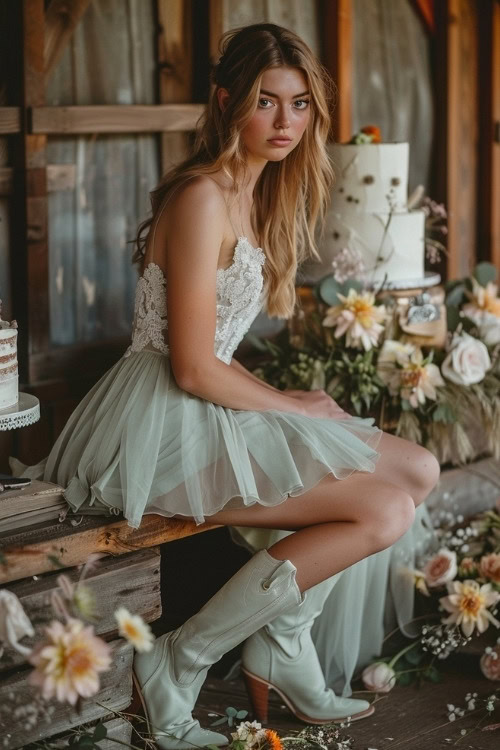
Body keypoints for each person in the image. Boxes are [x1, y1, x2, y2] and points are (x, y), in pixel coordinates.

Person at [14, 23, 441, 749]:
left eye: (300, 104)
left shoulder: (257, 191)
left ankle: (281, 642)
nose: (285, 123)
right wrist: (297, 407)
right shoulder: (203, 197)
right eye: (266, 102)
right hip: (159, 418)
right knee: (384, 510)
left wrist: (300, 410)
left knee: (422, 469)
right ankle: (181, 661)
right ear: (225, 102)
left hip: (206, 400)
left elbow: (213, 352)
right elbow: (189, 365)